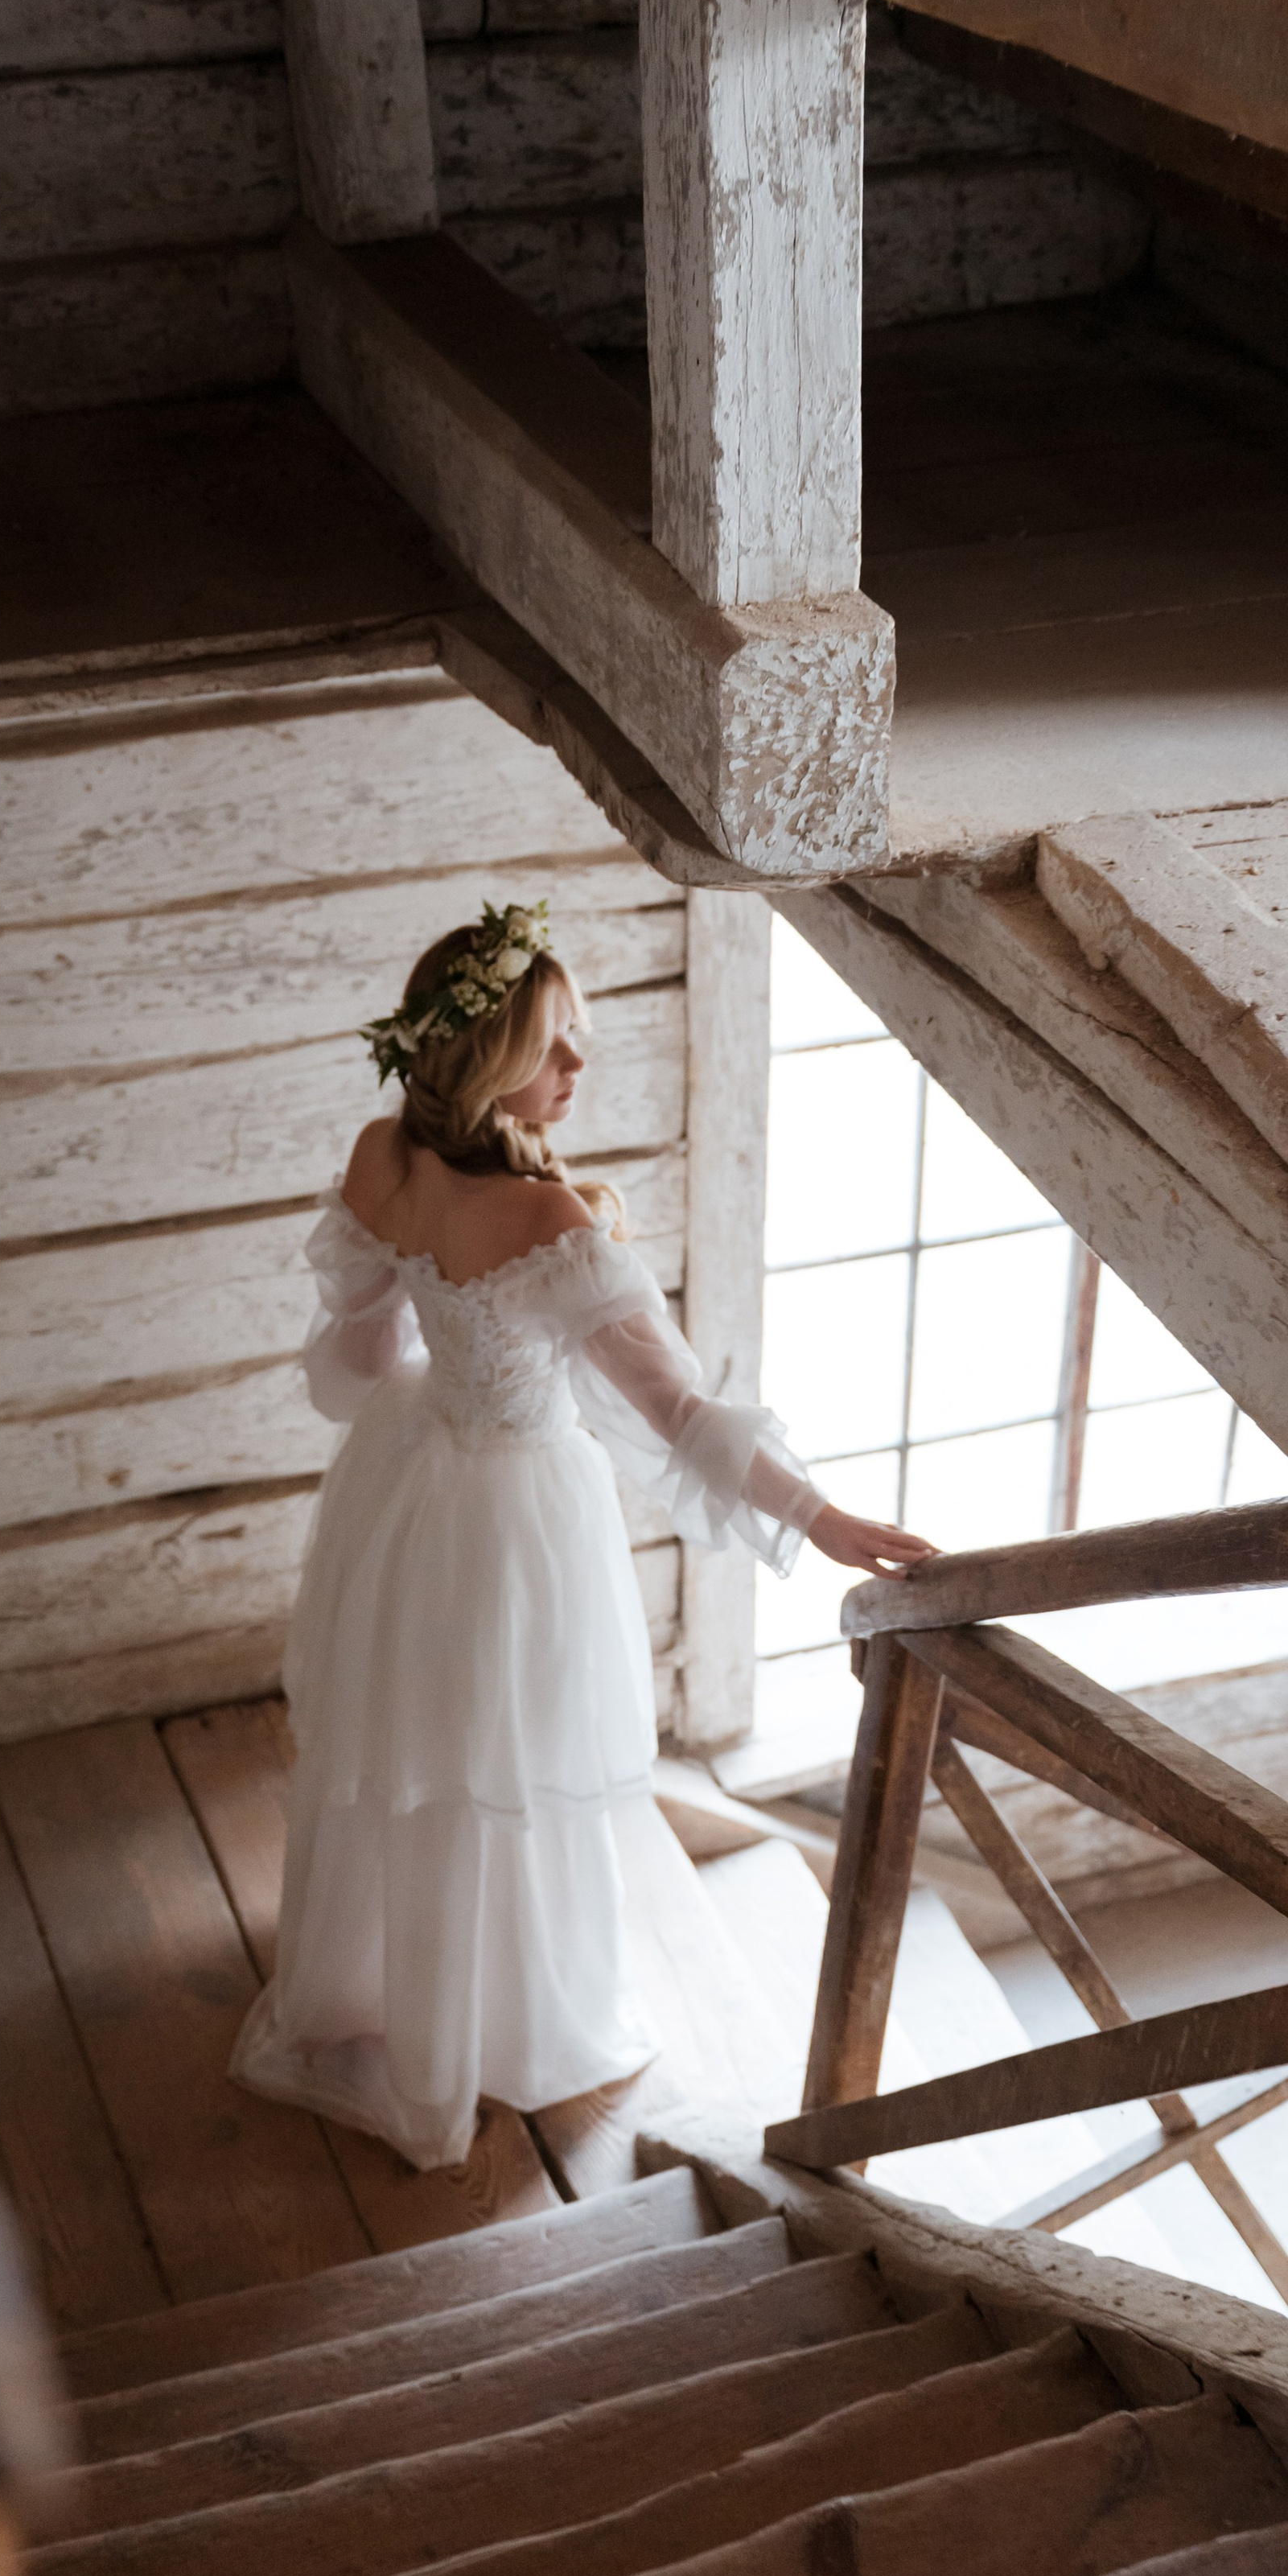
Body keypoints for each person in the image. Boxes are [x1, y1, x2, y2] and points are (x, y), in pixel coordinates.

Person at [230, 900, 932, 2169]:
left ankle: (385, 1983)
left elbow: (363, 1355)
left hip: (406, 1486)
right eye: (557, 1046)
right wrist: (818, 1517)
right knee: (504, 1765)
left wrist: (412, 1302)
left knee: (417, 1749)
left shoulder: (383, 1155)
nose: (579, 1069)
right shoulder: (554, 1229)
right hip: (514, 1521)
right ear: (491, 1056)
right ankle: (504, 2015)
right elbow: (680, 1415)